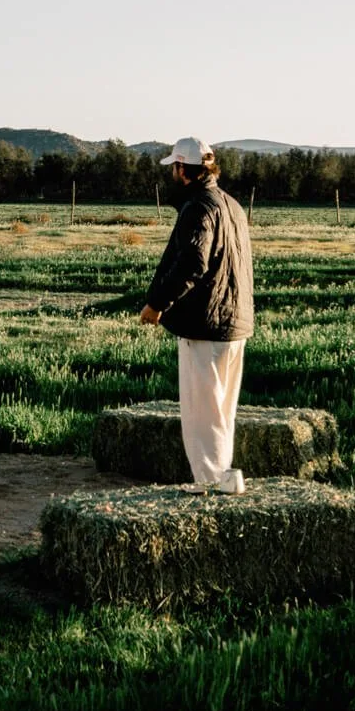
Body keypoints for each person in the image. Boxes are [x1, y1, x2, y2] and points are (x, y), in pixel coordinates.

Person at [138, 136, 254, 494]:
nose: (172, 174)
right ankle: (224, 477)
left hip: (205, 321)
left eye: (174, 167)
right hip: (235, 320)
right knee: (222, 408)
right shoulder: (231, 205)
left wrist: (157, 304)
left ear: (182, 169)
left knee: (202, 410)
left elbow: (193, 263)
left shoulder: (199, 208)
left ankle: (210, 482)